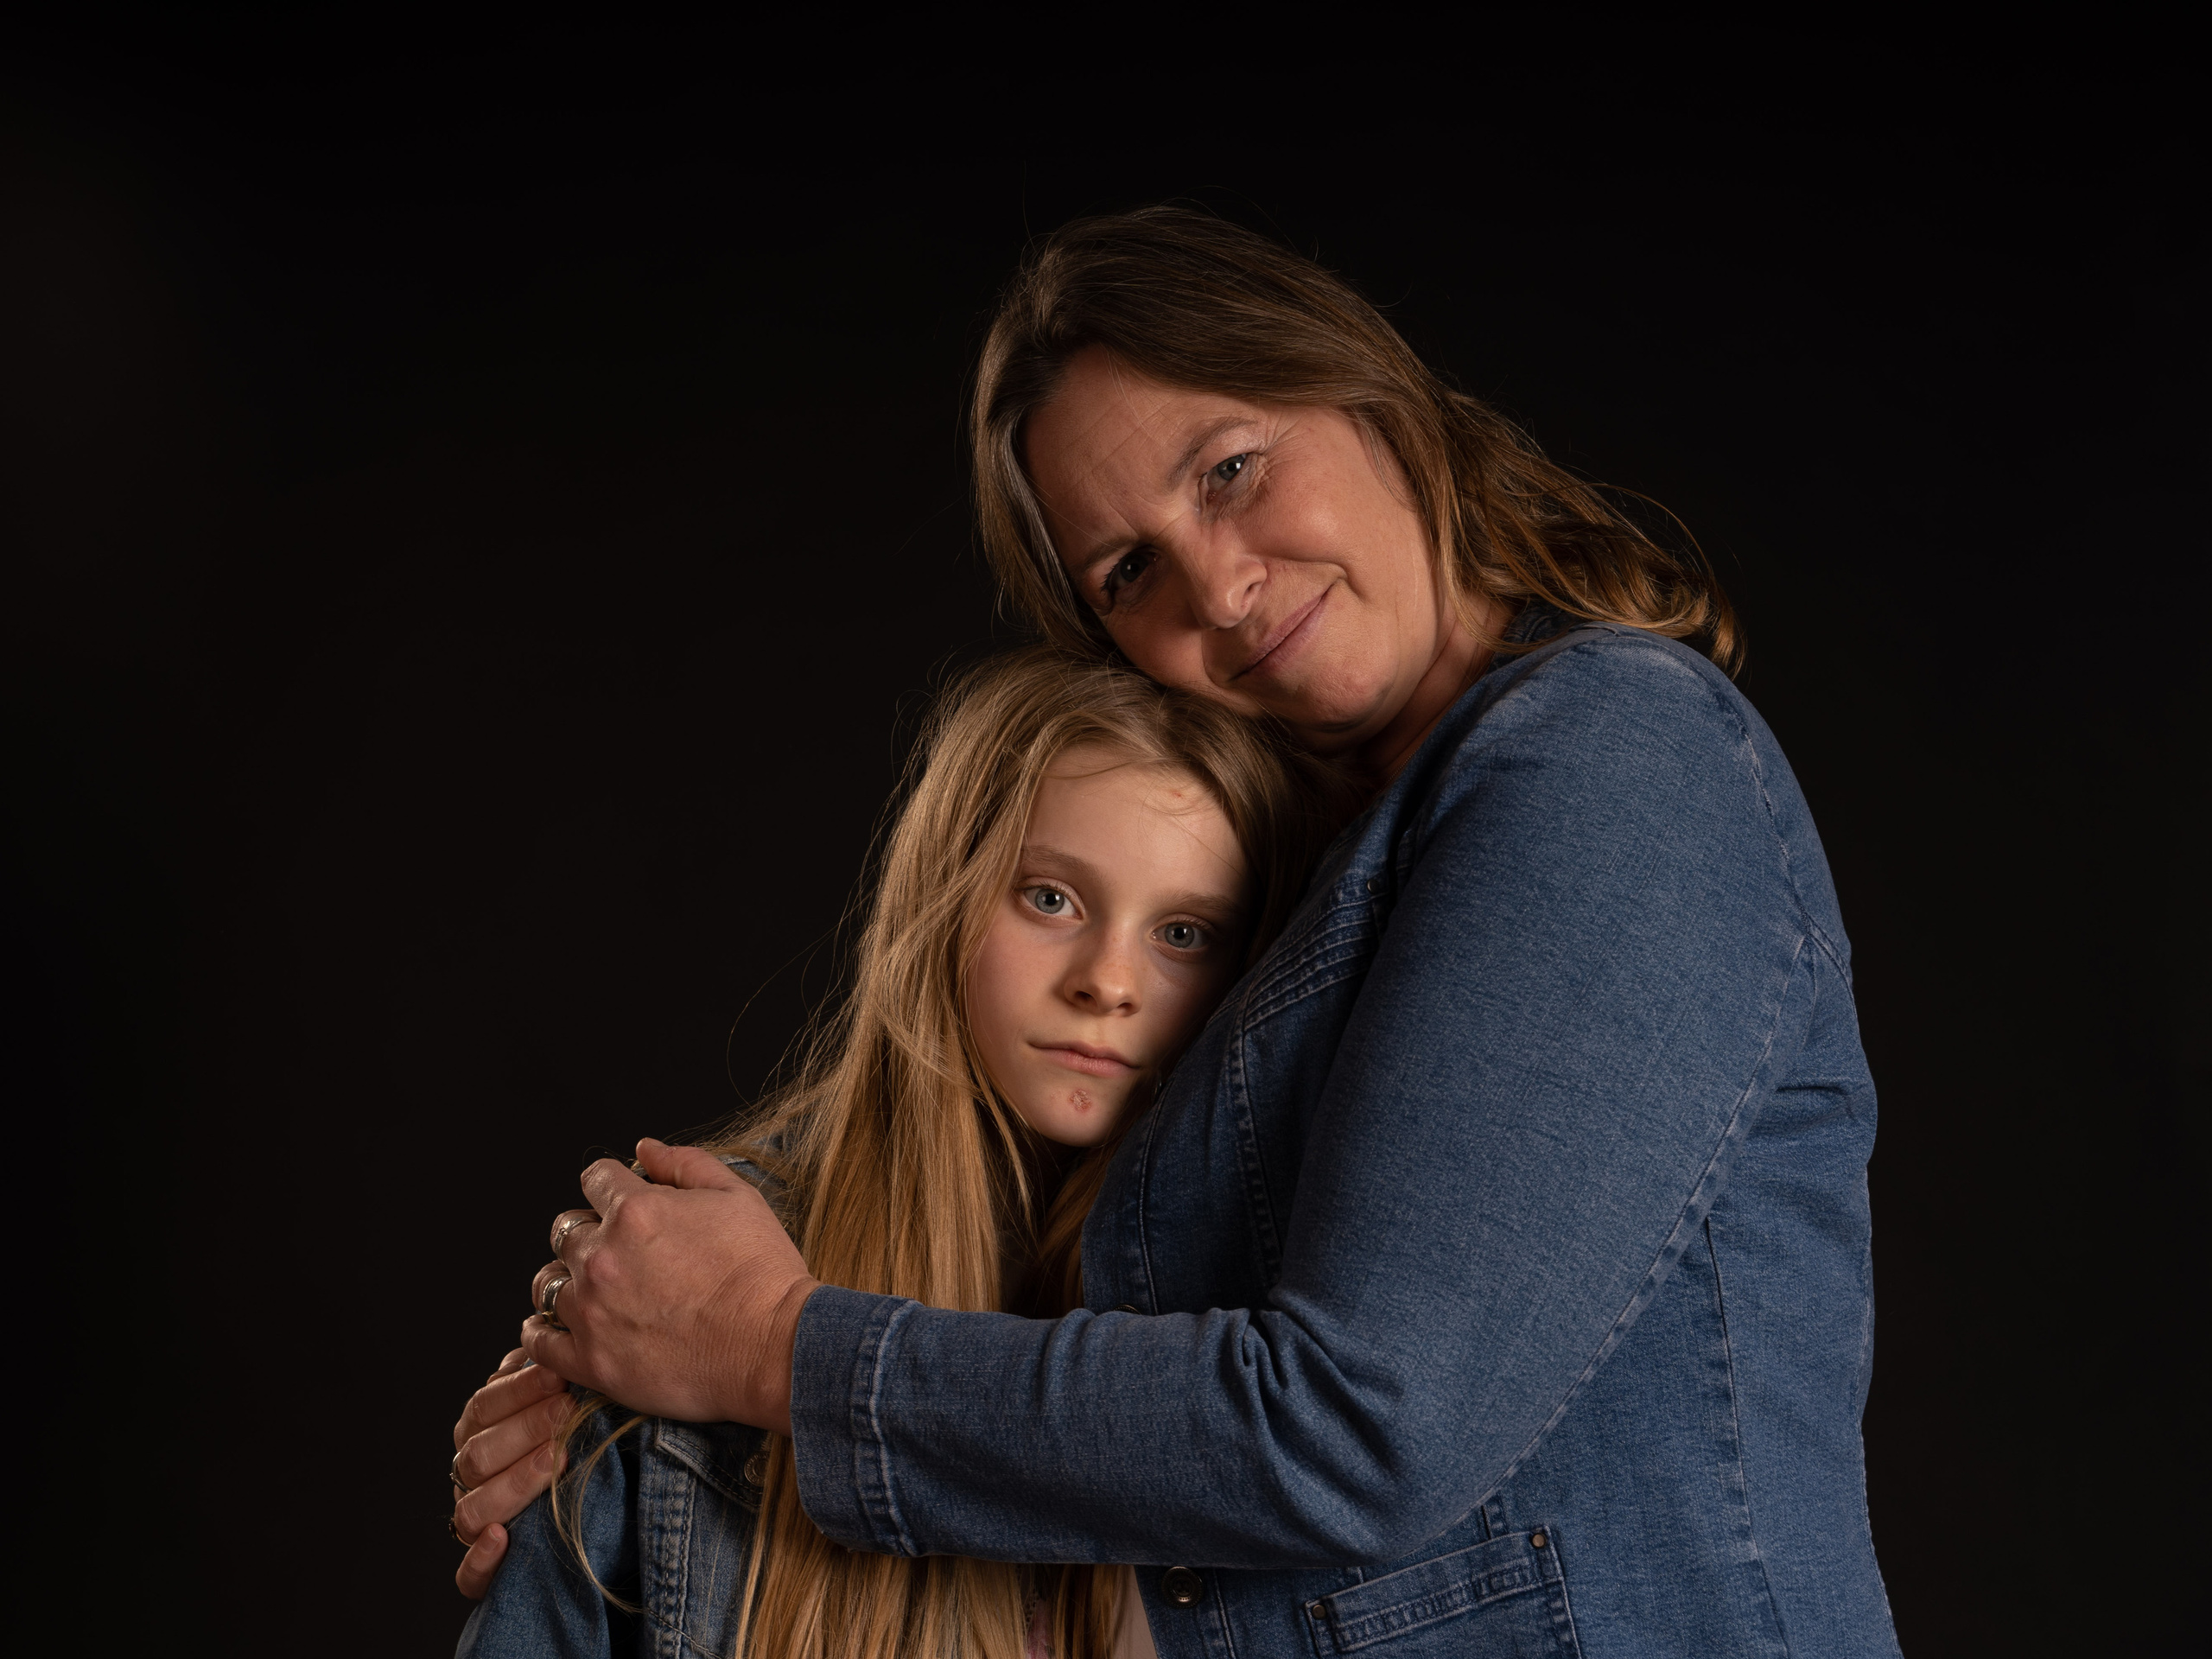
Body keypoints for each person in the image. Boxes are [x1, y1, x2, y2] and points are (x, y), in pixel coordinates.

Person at [451, 207, 1901, 1657]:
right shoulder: (1318, 872)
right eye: (1129, 573)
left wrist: (765, 1346)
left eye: (1231, 469)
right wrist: (625, 1294)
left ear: (1366, 394)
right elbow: (991, 1102)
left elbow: (1357, 1432)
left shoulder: (1609, 757)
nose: (1218, 583)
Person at [455, 646, 1338, 1658]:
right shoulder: (675, 1284)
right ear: (944, 896)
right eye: (1051, 899)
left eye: (1183, 933)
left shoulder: (1293, 1313)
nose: (1108, 981)